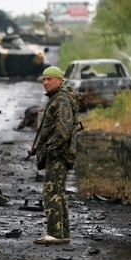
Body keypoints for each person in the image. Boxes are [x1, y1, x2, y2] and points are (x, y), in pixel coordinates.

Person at [30, 66, 79, 244]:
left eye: (49, 79)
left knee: (51, 192)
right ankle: (62, 233)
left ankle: (55, 233)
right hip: (57, 153)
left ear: (60, 80)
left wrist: (49, 148)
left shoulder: (62, 100)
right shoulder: (56, 99)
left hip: (59, 154)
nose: (45, 82)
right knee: (58, 192)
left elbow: (63, 131)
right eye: (43, 79)